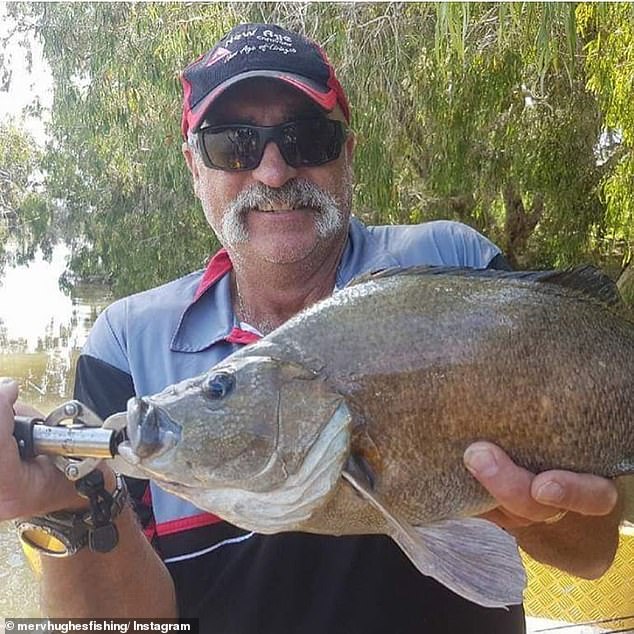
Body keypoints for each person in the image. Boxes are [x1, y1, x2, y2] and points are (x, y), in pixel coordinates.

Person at [0, 23, 622, 633]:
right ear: (194, 168)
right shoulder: (124, 346)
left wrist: (541, 518)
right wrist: (72, 503)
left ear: (347, 155)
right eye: (233, 144)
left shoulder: (456, 262)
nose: (272, 173)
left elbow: (592, 554)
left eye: (306, 139)